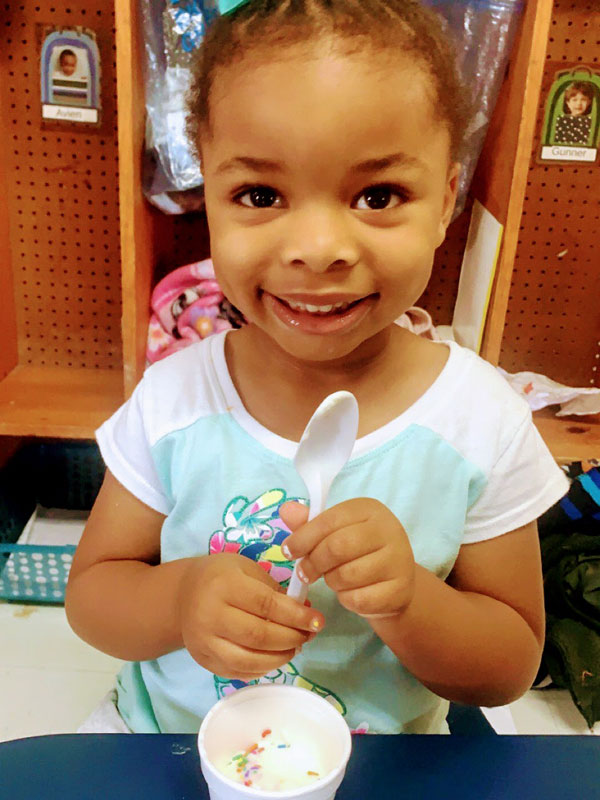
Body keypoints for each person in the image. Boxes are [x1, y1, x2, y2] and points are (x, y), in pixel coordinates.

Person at [65, 0, 568, 735]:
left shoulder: (481, 421)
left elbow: (507, 667)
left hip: (382, 764)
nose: (318, 247)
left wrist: (410, 603)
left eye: (378, 196)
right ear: (207, 193)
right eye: (260, 195)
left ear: (446, 200)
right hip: (166, 744)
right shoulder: (175, 400)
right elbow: (93, 599)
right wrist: (180, 601)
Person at [553, 81, 594, 146]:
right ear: (568, 102)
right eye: (574, 100)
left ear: (589, 102)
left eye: (583, 100)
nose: (579, 104)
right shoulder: (561, 121)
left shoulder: (592, 122)